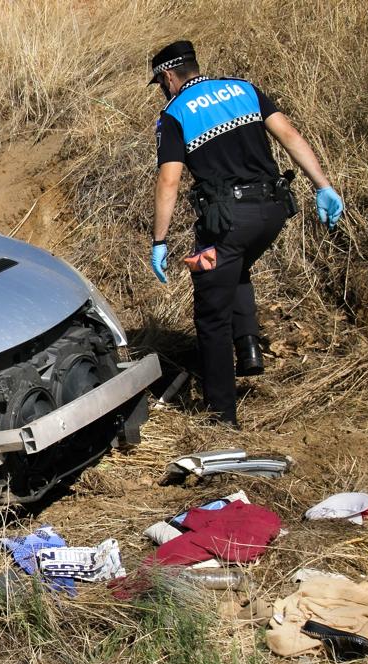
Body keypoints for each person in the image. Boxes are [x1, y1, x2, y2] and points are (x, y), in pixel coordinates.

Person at [147, 40, 344, 427]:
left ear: (169, 76)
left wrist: (159, 240)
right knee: (234, 266)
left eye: (160, 83)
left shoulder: (174, 113)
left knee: (211, 316)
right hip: (272, 212)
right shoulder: (243, 88)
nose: (163, 89)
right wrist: (322, 185)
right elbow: (289, 135)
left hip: (229, 219)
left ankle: (221, 418)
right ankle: (249, 348)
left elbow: (169, 180)